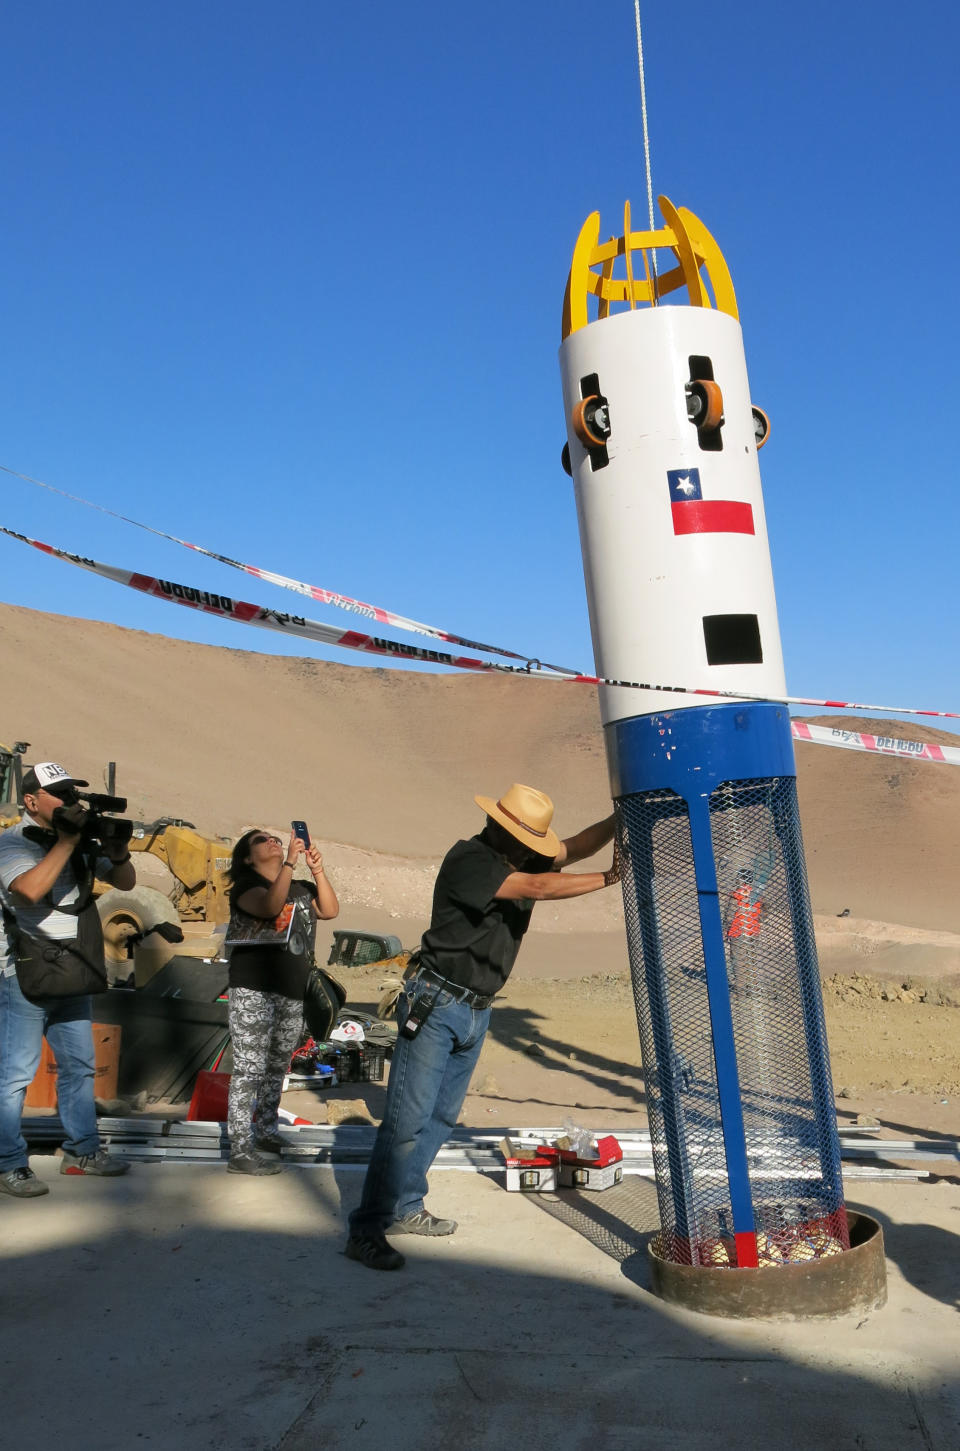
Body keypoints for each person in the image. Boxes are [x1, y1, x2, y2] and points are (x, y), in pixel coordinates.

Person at [345, 782, 620, 1271]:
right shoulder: (471, 860)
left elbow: (571, 848)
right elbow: (540, 886)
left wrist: (621, 820)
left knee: (441, 1118)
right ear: (501, 829)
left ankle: (406, 1206)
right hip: (435, 1002)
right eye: (528, 844)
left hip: (476, 1007)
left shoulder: (520, 857)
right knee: (406, 1122)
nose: (537, 854)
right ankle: (367, 1227)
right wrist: (612, 876)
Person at [0, 761, 136, 1197]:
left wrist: (116, 850)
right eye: (59, 794)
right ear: (31, 801)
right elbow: (29, 890)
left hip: (72, 972)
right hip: (23, 975)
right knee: (15, 1075)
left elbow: (126, 882)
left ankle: (83, 1151)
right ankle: (8, 1163)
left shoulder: (72, 840)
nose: (69, 802)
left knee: (77, 1067)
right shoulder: (12, 843)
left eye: (71, 794)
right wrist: (68, 841)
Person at [225, 826, 339, 1175]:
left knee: (277, 1067)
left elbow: (330, 910)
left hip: (291, 991)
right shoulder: (245, 888)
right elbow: (271, 906)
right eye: (261, 840)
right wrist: (290, 861)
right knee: (248, 1069)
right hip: (253, 990)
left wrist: (316, 869)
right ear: (247, 857)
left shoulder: (301, 889)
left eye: (274, 837)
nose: (272, 840)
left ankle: (265, 1131)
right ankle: (240, 1150)